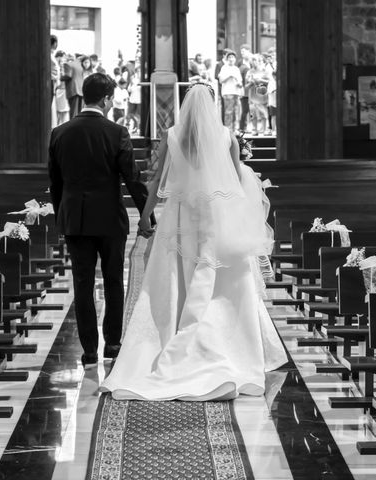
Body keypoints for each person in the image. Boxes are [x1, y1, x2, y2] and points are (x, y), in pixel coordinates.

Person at [101, 83, 287, 401]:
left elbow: (157, 180)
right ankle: (225, 345)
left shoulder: (173, 135)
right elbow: (237, 181)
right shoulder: (226, 136)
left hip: (180, 215)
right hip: (216, 215)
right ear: (212, 105)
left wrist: (146, 216)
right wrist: (245, 220)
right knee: (222, 283)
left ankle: (173, 336)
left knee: (175, 280)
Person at [48, 73, 152, 368]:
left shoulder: (60, 133)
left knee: (81, 283)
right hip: (109, 218)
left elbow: (55, 183)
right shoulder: (116, 133)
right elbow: (132, 179)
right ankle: (113, 344)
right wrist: (147, 216)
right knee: (113, 281)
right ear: (106, 99)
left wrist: (62, 218)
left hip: (75, 219)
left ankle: (89, 351)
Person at [245, 54, 270, 135]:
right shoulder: (249, 72)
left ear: (260, 61)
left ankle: (265, 129)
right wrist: (251, 82)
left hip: (262, 95)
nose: (254, 62)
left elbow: (269, 82)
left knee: (263, 113)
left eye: (256, 60)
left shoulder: (265, 71)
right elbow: (246, 86)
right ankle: (254, 129)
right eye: (253, 60)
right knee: (253, 114)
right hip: (252, 95)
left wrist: (260, 80)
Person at [218, 50, 242, 132]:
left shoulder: (236, 69)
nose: (231, 59)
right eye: (229, 57)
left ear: (235, 59)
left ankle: (235, 128)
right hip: (227, 92)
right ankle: (228, 128)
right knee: (228, 111)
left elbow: (240, 81)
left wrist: (239, 84)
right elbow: (221, 80)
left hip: (236, 92)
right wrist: (229, 76)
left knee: (236, 111)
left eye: (233, 57)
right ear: (227, 59)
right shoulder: (224, 68)